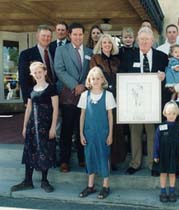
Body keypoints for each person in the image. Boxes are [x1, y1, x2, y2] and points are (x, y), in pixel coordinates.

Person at [123, 27, 168, 176]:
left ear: (152, 41)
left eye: (146, 39)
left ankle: (152, 163)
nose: (143, 42)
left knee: (152, 133)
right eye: (141, 39)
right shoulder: (129, 56)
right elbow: (122, 77)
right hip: (134, 102)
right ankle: (135, 163)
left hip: (153, 102)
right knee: (135, 132)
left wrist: (164, 77)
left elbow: (170, 78)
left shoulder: (162, 57)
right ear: (137, 40)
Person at [11, 62, 58, 193]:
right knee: (30, 151)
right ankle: (27, 181)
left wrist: (53, 127)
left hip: (45, 125)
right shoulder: (31, 90)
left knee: (45, 151)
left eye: (39, 71)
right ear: (32, 74)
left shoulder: (51, 88)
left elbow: (55, 109)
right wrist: (24, 126)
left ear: (45, 72)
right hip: (33, 126)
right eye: (35, 72)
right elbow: (29, 109)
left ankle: (44, 180)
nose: (38, 74)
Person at [54, 22, 93, 173]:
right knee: (67, 129)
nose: (78, 37)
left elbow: (92, 70)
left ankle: (83, 158)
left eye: (80, 34)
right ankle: (64, 161)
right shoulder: (61, 50)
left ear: (83, 35)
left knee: (82, 128)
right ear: (69, 35)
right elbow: (59, 69)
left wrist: (83, 85)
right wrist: (74, 85)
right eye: (75, 34)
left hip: (84, 94)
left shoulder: (89, 51)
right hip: (69, 94)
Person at [90, 34, 127, 170]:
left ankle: (113, 160)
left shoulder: (117, 60)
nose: (107, 45)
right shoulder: (95, 59)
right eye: (104, 42)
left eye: (109, 43)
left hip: (117, 97)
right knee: (103, 128)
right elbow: (94, 77)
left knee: (115, 129)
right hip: (102, 96)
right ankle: (102, 159)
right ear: (100, 44)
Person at [78, 67, 115, 199]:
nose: (96, 81)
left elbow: (110, 116)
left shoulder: (108, 95)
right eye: (93, 79)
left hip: (103, 133)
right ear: (89, 80)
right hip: (89, 133)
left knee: (103, 157)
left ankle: (106, 186)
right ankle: (90, 185)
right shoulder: (84, 95)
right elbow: (82, 115)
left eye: (98, 78)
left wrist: (110, 134)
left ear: (102, 80)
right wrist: (81, 133)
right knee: (90, 157)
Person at [153, 101, 179, 203]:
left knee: (172, 173)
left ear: (177, 114)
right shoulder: (161, 127)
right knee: (163, 173)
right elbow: (156, 141)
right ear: (165, 113)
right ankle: (163, 192)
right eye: (169, 113)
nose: (171, 116)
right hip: (163, 154)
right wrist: (155, 154)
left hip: (174, 154)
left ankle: (172, 191)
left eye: (173, 113)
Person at [18, 25, 55, 104]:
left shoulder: (55, 52)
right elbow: (23, 78)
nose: (46, 38)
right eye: (43, 36)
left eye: (49, 36)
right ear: (37, 36)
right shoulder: (26, 54)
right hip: (37, 98)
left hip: (55, 95)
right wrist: (26, 100)